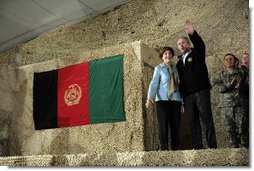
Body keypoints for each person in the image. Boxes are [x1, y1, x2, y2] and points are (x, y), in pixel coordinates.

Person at [176, 20, 217, 149]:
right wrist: (182, 99)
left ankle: (212, 147)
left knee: (206, 120)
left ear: (188, 44)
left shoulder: (197, 54)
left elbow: (200, 44)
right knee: (192, 123)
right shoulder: (178, 64)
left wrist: (192, 33)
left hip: (201, 91)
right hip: (188, 96)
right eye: (179, 44)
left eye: (183, 42)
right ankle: (198, 147)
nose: (181, 45)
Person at [146, 46, 184, 151]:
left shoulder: (176, 69)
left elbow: (180, 86)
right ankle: (164, 150)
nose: (168, 55)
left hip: (176, 101)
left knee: (175, 127)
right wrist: (150, 97)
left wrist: (182, 103)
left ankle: (175, 149)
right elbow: (153, 83)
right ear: (162, 57)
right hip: (162, 101)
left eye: (170, 54)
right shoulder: (159, 68)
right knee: (163, 126)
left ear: (172, 56)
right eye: (165, 54)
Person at [213, 53, 247, 148]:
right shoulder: (220, 74)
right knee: (230, 130)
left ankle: (246, 152)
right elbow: (218, 87)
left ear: (234, 60)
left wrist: (241, 86)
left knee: (243, 128)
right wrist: (230, 85)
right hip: (226, 106)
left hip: (239, 104)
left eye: (230, 59)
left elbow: (248, 84)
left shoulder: (242, 72)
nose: (228, 61)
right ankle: (234, 151)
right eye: (226, 59)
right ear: (224, 62)